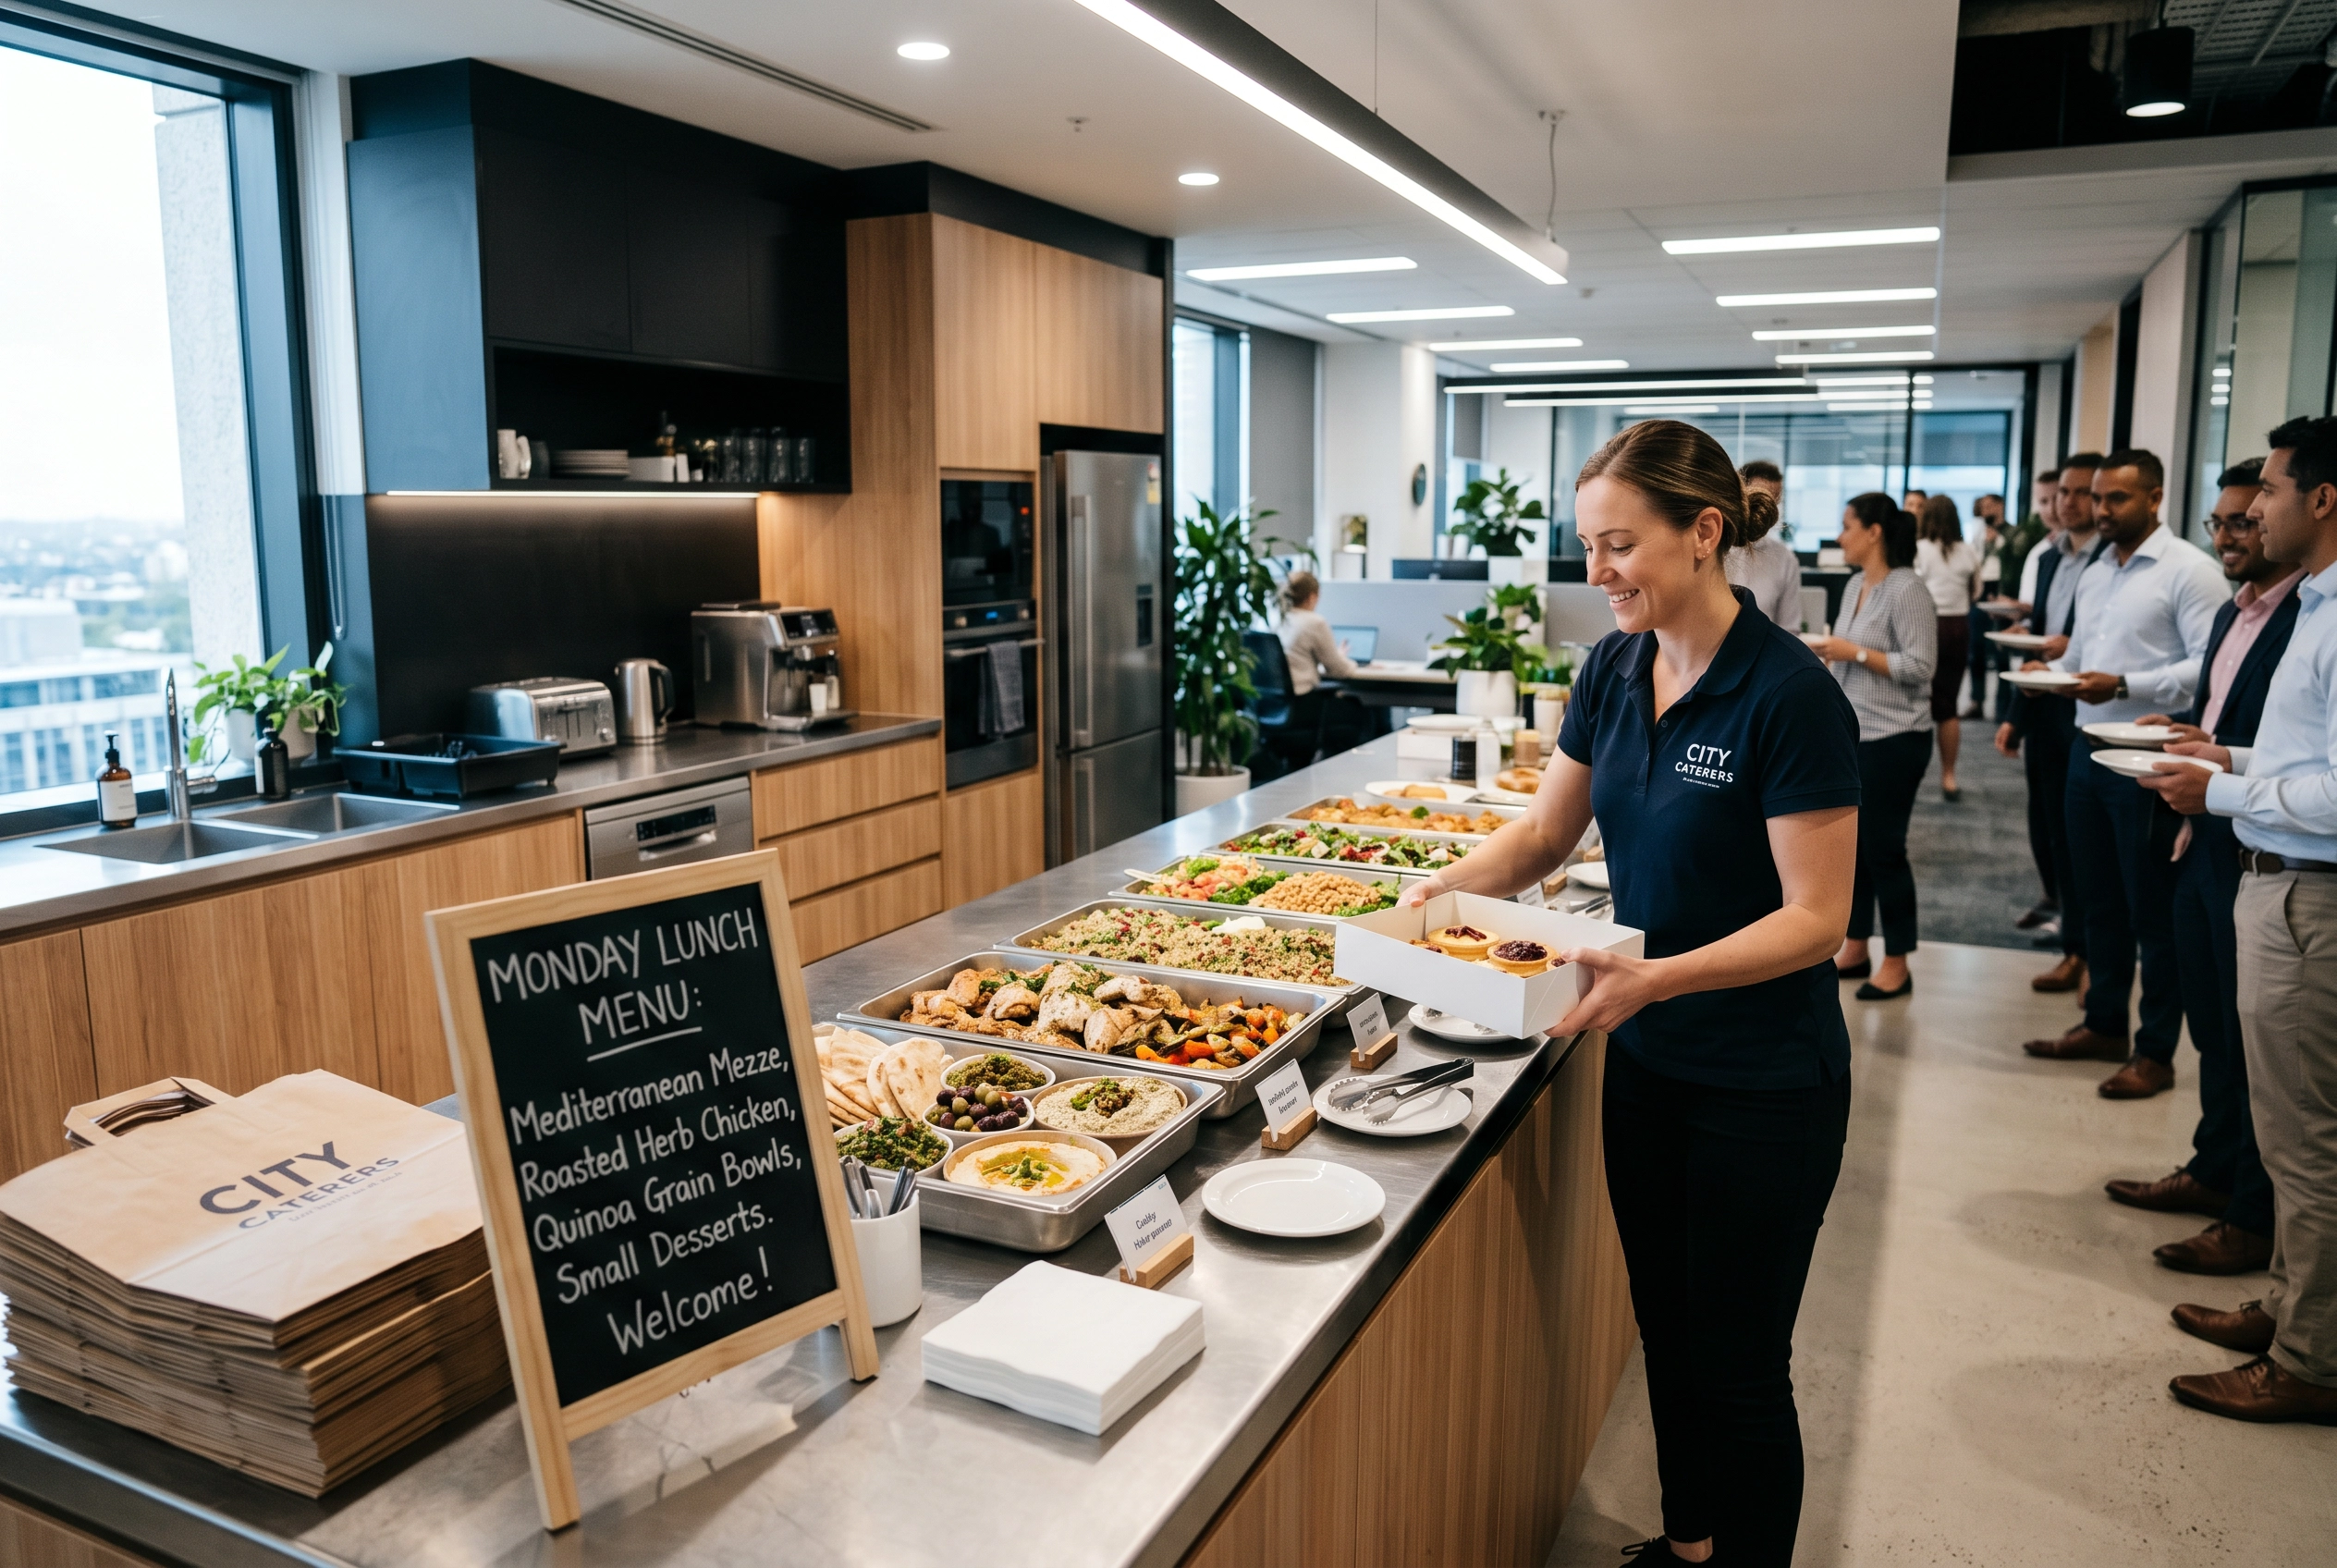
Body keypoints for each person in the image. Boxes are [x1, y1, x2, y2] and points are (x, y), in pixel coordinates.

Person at [1401, 419, 1861, 1566]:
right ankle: (1691, 1541)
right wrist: (1407, 908)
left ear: (1703, 534)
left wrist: (1657, 976)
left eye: (1617, 546)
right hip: (1647, 1065)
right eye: (1585, 546)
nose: (1594, 573)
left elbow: (1817, 920)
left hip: (1763, 1082)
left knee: (1738, 1363)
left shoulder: (1788, 694)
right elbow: (1545, 836)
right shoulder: (1610, 666)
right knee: (1663, 1330)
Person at [2138, 416, 2337, 1425]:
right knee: (2287, 1127)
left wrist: (2217, 796)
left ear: (2321, 498)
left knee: (2307, 1146)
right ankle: (2298, 1312)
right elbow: (2311, 767)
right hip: (2281, 874)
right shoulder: (2313, 604)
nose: (2252, 510)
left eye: (2264, 489)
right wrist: (2232, 763)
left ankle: (2310, 1358)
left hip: (2312, 895)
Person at [2107, 459, 2294, 1277]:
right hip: (2201, 836)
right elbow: (2229, 718)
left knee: (2254, 1051)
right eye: (2220, 521)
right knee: (2215, 1029)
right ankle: (2216, 1172)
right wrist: (2187, 728)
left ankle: (2254, 1216)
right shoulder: (2237, 614)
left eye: (2246, 519)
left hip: (2255, 838)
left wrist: (2217, 767)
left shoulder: (2304, 619)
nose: (2229, 534)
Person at [2018, 449, 2227, 1097]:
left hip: (2150, 758)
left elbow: (2210, 664)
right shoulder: (2097, 570)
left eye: (2116, 499)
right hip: (2087, 748)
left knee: (2151, 912)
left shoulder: (2190, 571)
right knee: (2096, 897)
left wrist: (2129, 685)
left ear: (2155, 498)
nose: (2102, 510)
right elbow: (2082, 654)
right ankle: (2103, 1021)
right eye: (2097, 498)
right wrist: (2046, 680)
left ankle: (2155, 1051)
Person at [1812, 494, 1934, 999]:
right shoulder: (1855, 585)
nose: (1840, 537)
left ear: (1875, 532)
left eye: (1847, 526)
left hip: (1897, 736)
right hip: (1855, 733)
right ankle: (1857, 945)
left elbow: (1920, 668)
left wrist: (1852, 652)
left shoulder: (1908, 589)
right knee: (1853, 850)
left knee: (1885, 850)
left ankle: (1899, 960)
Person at [1999, 455, 2105, 987]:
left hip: (2093, 712)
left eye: (2083, 492)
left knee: (2082, 840)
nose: (2069, 501)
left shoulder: (2111, 559)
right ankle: (2073, 942)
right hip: (2045, 704)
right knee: (2049, 829)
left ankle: (2089, 955)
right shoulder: (2047, 559)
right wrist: (2016, 717)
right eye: (2063, 491)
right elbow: (2037, 642)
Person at [1913, 496, 1983, 798]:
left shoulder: (1919, 550)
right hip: (1958, 627)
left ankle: (1913, 779)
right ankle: (1949, 777)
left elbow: (1911, 590)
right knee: (1948, 705)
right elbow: (1976, 591)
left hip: (1927, 624)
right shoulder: (1969, 552)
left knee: (1917, 702)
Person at [1726, 459, 1804, 627]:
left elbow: (1789, 628)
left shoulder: (1784, 559)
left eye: (1773, 503)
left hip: (1763, 650)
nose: (1764, 509)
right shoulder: (1714, 547)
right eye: (1758, 499)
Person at [1276, 570, 1359, 695]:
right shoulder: (1315, 622)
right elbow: (1339, 670)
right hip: (1304, 700)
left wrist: (1338, 656)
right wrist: (1354, 664)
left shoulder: (1280, 620)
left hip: (1279, 700)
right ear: (1312, 597)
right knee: (1365, 710)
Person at [1964, 493, 2008, 717]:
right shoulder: (1977, 533)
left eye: (1991, 505)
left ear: (2001, 506)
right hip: (1980, 592)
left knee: (2003, 652)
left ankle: (2004, 706)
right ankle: (1977, 701)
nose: (1987, 510)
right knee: (1976, 650)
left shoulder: (2011, 533)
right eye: (1983, 506)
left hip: (2003, 594)